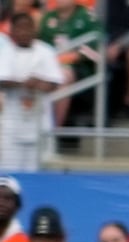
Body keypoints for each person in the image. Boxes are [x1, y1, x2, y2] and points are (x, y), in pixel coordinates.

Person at [0, 11, 64, 171]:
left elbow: (55, 82)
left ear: (34, 30)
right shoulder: (5, 52)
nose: (24, 32)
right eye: (19, 29)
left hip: (39, 119)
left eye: (27, 28)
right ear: (12, 31)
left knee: (40, 169)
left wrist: (38, 84)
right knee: (10, 170)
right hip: (12, 122)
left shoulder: (46, 51)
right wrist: (24, 84)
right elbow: (2, 80)